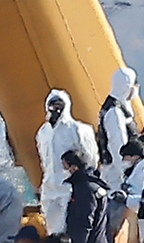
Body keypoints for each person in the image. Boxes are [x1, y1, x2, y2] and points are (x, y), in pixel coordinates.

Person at [35, 91, 98, 235]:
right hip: (50, 188)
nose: (55, 109)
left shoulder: (78, 129)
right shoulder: (43, 132)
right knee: (53, 231)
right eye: (52, 105)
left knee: (70, 229)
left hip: (69, 187)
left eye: (59, 105)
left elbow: (91, 160)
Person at [98, 67, 138, 225]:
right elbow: (117, 145)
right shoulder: (114, 112)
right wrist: (126, 171)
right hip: (116, 175)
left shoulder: (120, 108)